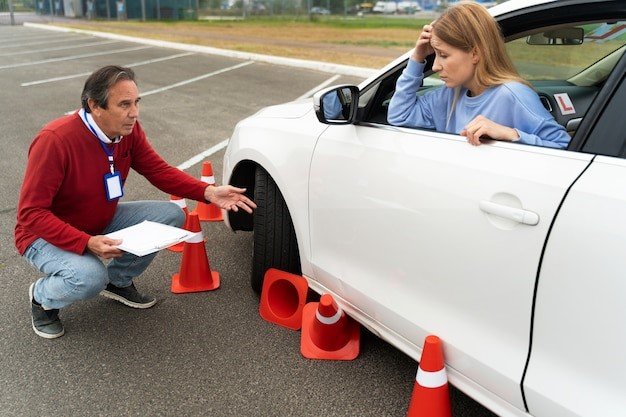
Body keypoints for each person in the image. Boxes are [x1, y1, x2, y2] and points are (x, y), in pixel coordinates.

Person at [15, 65, 257, 339]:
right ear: (95, 106)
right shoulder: (55, 140)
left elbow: (159, 171)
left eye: (136, 102)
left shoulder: (128, 132)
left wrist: (208, 192)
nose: (135, 112)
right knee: (89, 277)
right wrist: (86, 242)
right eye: (124, 104)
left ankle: (117, 282)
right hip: (41, 236)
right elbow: (31, 213)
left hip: (98, 221)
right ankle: (41, 297)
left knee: (170, 215)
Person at [387, 2, 571, 149]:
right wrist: (418, 57)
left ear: (475, 53)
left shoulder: (512, 94)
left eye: (443, 55)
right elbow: (399, 117)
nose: (434, 66)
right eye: (433, 55)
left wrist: (510, 134)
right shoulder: (448, 95)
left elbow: (562, 145)